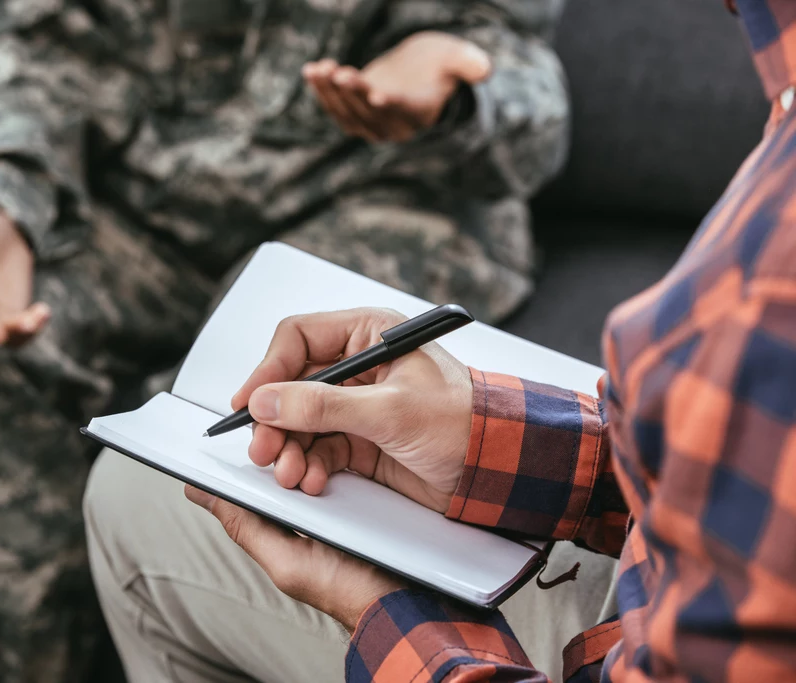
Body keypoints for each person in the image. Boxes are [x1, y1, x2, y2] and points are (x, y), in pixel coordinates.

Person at [84, 0, 796, 681]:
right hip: (665, 568)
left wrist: (381, 608)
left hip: (640, 631)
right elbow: (740, 479)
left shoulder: (759, 304)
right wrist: (492, 439)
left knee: (139, 497)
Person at [0, 0, 570, 681]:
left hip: (380, 199)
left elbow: (520, 87)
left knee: (243, 432)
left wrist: (453, 90)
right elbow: (25, 49)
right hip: (125, 201)